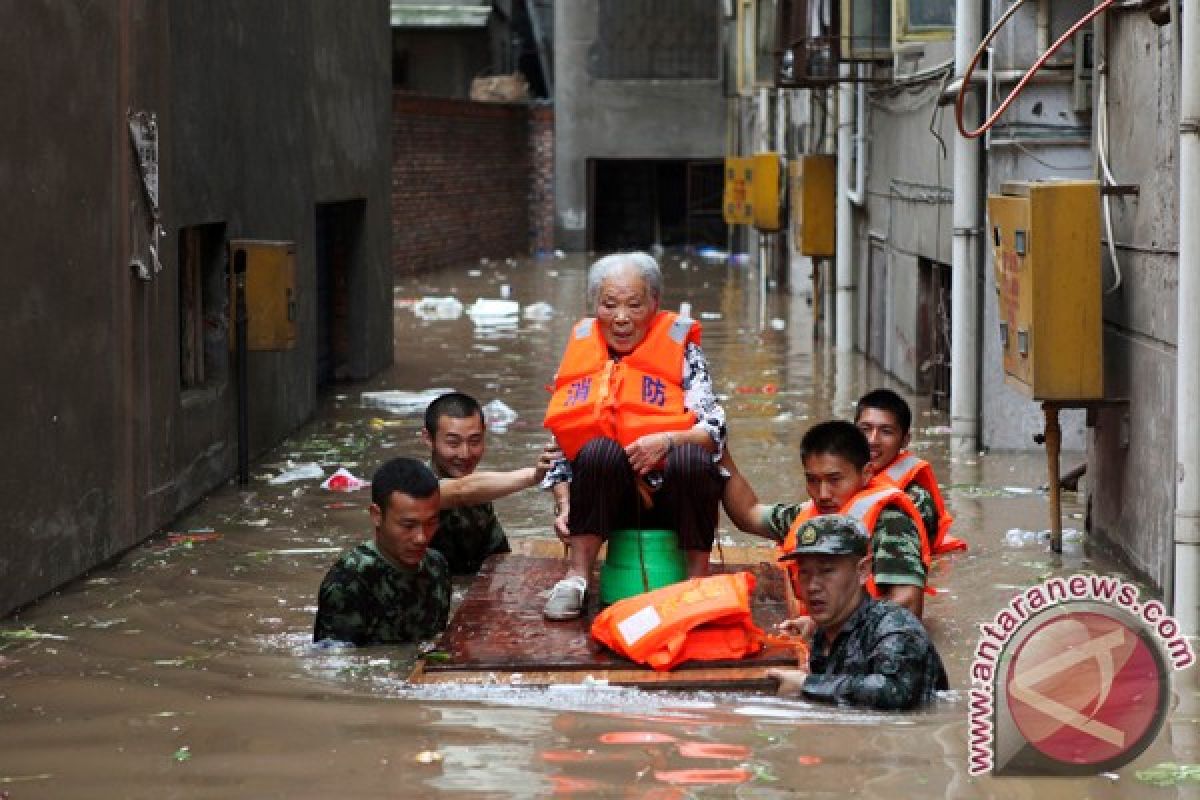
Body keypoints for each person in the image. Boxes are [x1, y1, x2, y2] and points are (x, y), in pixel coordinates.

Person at [540, 252, 727, 620]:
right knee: (594, 451)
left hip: (670, 497)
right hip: (607, 502)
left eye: (634, 305)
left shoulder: (684, 352)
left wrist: (668, 440)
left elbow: (715, 430)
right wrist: (564, 503)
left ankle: (697, 580)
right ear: (595, 306)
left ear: (654, 305)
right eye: (610, 305)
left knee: (693, 456)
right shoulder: (580, 351)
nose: (621, 318)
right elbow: (562, 445)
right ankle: (577, 578)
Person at [720, 420, 931, 620]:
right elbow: (749, 513)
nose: (822, 494)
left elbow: (908, 601)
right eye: (813, 480)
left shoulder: (890, 520)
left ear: (866, 474)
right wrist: (718, 449)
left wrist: (828, 625)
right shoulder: (808, 516)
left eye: (834, 480)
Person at [765, 515, 949, 710]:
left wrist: (806, 684)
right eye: (804, 572)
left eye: (827, 571)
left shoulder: (896, 627)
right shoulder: (826, 630)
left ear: (862, 571)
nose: (812, 586)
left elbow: (895, 691)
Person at [313, 457, 449, 645]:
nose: (422, 538)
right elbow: (336, 665)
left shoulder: (437, 567)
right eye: (408, 525)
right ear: (377, 516)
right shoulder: (348, 583)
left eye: (431, 523)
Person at [422, 391, 558, 575]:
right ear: (428, 439)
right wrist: (534, 476)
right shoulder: (414, 485)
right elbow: (460, 491)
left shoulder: (482, 493)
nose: (465, 454)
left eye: (474, 441)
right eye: (453, 443)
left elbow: (499, 556)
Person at [854, 388, 965, 554]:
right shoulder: (835, 481)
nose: (872, 440)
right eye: (865, 429)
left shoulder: (914, 500)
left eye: (886, 432)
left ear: (905, 440)